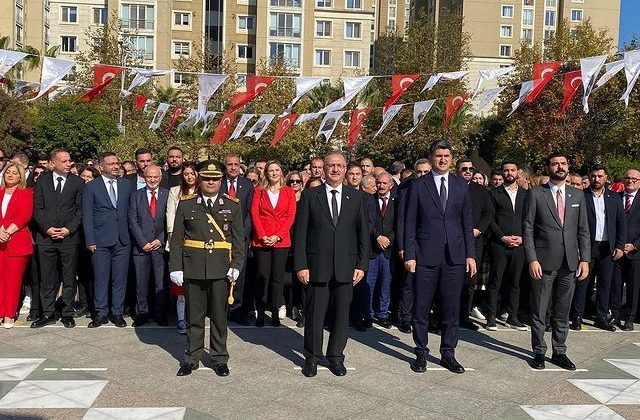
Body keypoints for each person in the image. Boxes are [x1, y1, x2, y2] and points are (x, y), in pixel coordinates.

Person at [294, 151, 369, 377]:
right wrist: (301, 265)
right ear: (323, 169)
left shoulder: (356, 198)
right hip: (317, 267)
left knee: (340, 316)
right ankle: (312, 357)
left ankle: (336, 357)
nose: (335, 169)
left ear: (345, 169)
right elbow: (300, 235)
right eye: (331, 166)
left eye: (339, 165)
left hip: (346, 268)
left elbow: (362, 234)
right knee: (315, 316)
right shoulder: (310, 196)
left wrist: (361, 265)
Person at [404, 140, 476, 374]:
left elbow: (466, 222)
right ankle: (421, 353)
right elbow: (410, 223)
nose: (443, 159)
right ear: (431, 157)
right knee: (421, 309)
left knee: (451, 309)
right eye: (438, 155)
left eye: (446, 155)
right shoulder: (418, 185)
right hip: (425, 256)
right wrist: (410, 254)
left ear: (451, 158)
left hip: (454, 257)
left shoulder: (460, 186)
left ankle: (448, 353)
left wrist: (470, 254)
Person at [169, 162, 245, 377]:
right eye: (207, 178)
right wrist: (175, 267)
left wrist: (237, 265)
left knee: (219, 317)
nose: (211, 182)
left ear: (221, 180)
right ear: (200, 179)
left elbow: (239, 240)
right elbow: (176, 240)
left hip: (221, 269)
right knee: (194, 316)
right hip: (193, 267)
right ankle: (191, 358)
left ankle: (219, 358)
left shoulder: (233, 205)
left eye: (215, 178)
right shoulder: (186, 204)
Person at [523, 152, 590, 371]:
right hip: (543, 262)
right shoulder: (536, 194)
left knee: (563, 310)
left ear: (568, 167)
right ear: (548, 167)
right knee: (540, 309)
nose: (559, 167)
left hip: (570, 263)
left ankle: (559, 351)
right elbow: (528, 229)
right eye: (555, 164)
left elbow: (583, 231)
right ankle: (539, 352)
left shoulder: (577, 195)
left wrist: (585, 259)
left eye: (563, 163)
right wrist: (532, 258)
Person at [31, 148, 84, 329]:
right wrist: (47, 228)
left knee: (69, 277)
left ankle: (67, 312)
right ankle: (48, 313)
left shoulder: (78, 182)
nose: (69, 163)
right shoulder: (42, 181)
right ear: (53, 163)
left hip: (69, 239)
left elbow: (80, 210)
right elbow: (38, 208)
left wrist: (68, 229)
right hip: (46, 239)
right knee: (47, 278)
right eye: (64, 161)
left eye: (70, 160)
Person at [570, 165, 625, 332]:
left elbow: (621, 222)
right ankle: (577, 316)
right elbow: (574, 223)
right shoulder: (581, 196)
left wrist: (620, 245)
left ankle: (601, 317)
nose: (596, 179)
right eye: (593, 176)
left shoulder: (614, 197)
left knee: (604, 284)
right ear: (589, 177)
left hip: (607, 247)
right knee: (582, 282)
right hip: (587, 246)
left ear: (606, 177)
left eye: (600, 176)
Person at [83, 152, 133, 328]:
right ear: (101, 167)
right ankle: (101, 312)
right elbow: (87, 215)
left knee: (119, 279)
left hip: (123, 240)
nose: (115, 166)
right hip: (100, 240)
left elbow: (131, 212)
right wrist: (90, 240)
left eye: (116, 163)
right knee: (100, 278)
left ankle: (117, 312)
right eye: (110, 164)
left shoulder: (127, 185)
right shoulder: (91, 187)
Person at [250, 160, 297, 327]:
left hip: (281, 241)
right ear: (266, 173)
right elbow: (255, 214)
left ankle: (276, 311)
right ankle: (261, 312)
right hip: (261, 240)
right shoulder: (259, 191)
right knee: (262, 276)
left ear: (281, 172)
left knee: (277, 278)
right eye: (271, 170)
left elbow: (290, 217)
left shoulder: (289, 192)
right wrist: (263, 236)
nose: (274, 173)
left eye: (277, 170)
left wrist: (278, 236)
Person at [486, 162, 528, 331]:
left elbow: (530, 219)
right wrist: (502, 237)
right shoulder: (494, 194)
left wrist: (523, 238)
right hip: (499, 244)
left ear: (518, 172)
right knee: (495, 281)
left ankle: (513, 316)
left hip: (519, 245)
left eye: (512, 170)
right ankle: (491, 317)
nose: (509, 173)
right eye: (506, 170)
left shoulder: (527, 194)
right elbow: (490, 218)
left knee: (515, 282)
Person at [128, 165, 169, 327]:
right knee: (141, 282)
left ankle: (160, 314)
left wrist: (160, 239)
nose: (152, 180)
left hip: (160, 246)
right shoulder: (135, 196)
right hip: (141, 247)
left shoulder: (167, 195)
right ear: (144, 177)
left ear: (160, 178)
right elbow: (132, 221)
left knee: (160, 283)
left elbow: (170, 221)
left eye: (155, 177)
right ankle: (141, 313)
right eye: (149, 177)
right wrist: (143, 242)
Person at [455, 159, 493, 332]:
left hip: (474, 241)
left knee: (470, 282)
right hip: (453, 240)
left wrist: (479, 229)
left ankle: (464, 316)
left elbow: (488, 213)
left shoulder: (480, 190)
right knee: (451, 281)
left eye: (471, 169)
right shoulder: (452, 186)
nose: (468, 171)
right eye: (464, 169)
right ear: (457, 171)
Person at [357, 172, 396, 330]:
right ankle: (368, 314)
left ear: (391, 185)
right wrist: (377, 236)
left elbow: (399, 224)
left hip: (388, 250)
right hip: (373, 249)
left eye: (384, 183)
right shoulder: (368, 200)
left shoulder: (396, 202)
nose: (380, 186)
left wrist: (389, 239)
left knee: (385, 285)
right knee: (369, 284)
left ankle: (383, 314)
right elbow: (366, 222)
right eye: (378, 183)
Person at [220, 153, 254, 325]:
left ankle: (236, 309)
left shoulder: (247, 185)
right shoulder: (218, 184)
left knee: (238, 274)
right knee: (221, 272)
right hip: (222, 237)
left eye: (236, 164)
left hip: (241, 237)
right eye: (230, 164)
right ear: (225, 166)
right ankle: (220, 308)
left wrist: (241, 235)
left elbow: (250, 212)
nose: (233, 167)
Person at [166, 162, 198, 334]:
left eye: (192, 173)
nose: (190, 177)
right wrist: (176, 239)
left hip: (199, 245)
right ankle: (181, 319)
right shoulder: (175, 191)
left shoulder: (203, 191)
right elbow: (170, 216)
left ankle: (195, 319)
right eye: (186, 174)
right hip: (181, 243)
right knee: (181, 287)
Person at [0, 163, 33, 329]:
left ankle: (9, 314)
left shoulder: (26, 193)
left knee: (13, 280)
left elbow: (24, 216)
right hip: (0, 242)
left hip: (17, 242)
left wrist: (8, 232)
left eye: (14, 173)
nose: (10, 175)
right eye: (8, 172)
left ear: (20, 177)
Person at [76, 166, 101, 318]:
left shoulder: (97, 193)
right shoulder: (77, 193)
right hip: (79, 238)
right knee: (83, 274)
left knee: (96, 274)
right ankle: (84, 304)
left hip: (95, 238)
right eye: (83, 176)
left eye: (89, 177)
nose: (85, 179)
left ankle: (95, 305)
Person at [617, 169, 640, 331]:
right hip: (617, 251)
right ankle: (615, 314)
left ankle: (630, 318)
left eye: (634, 178)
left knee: (633, 287)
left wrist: (635, 245)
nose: (630, 181)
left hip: (636, 253)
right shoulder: (617, 198)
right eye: (627, 178)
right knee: (616, 286)